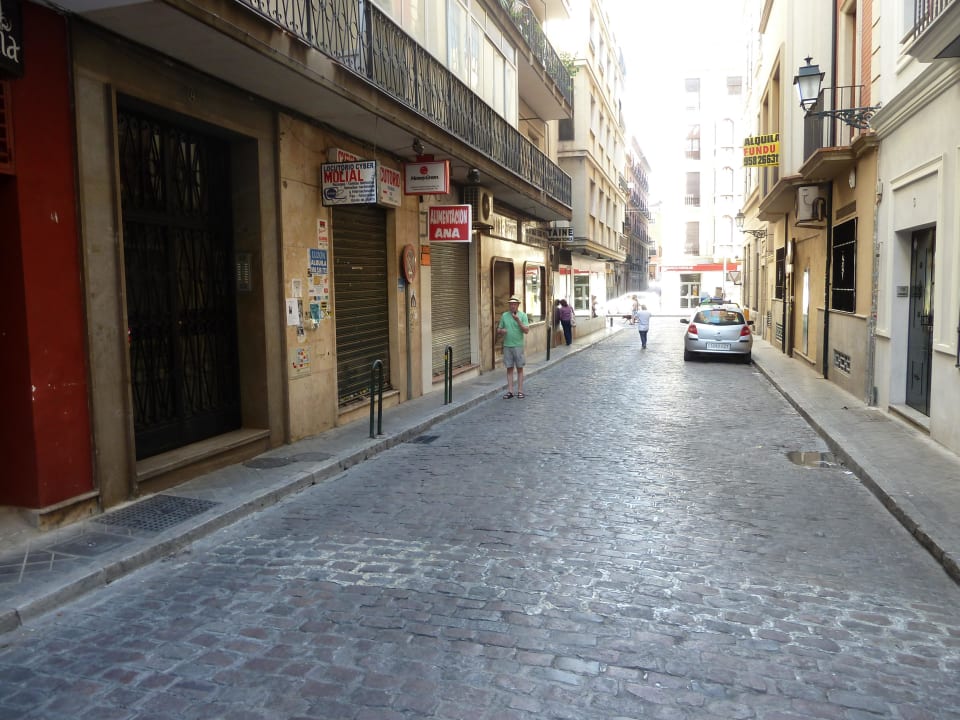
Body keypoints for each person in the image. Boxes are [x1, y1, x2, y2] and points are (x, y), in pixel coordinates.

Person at [497, 296, 529, 398]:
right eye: (511, 304)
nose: (512, 306)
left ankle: (520, 391)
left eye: (514, 304)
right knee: (509, 368)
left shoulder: (523, 315)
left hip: (518, 346)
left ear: (518, 305)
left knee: (520, 368)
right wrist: (501, 331)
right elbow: (498, 329)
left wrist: (518, 320)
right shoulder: (504, 315)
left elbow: (526, 331)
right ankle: (510, 391)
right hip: (507, 346)